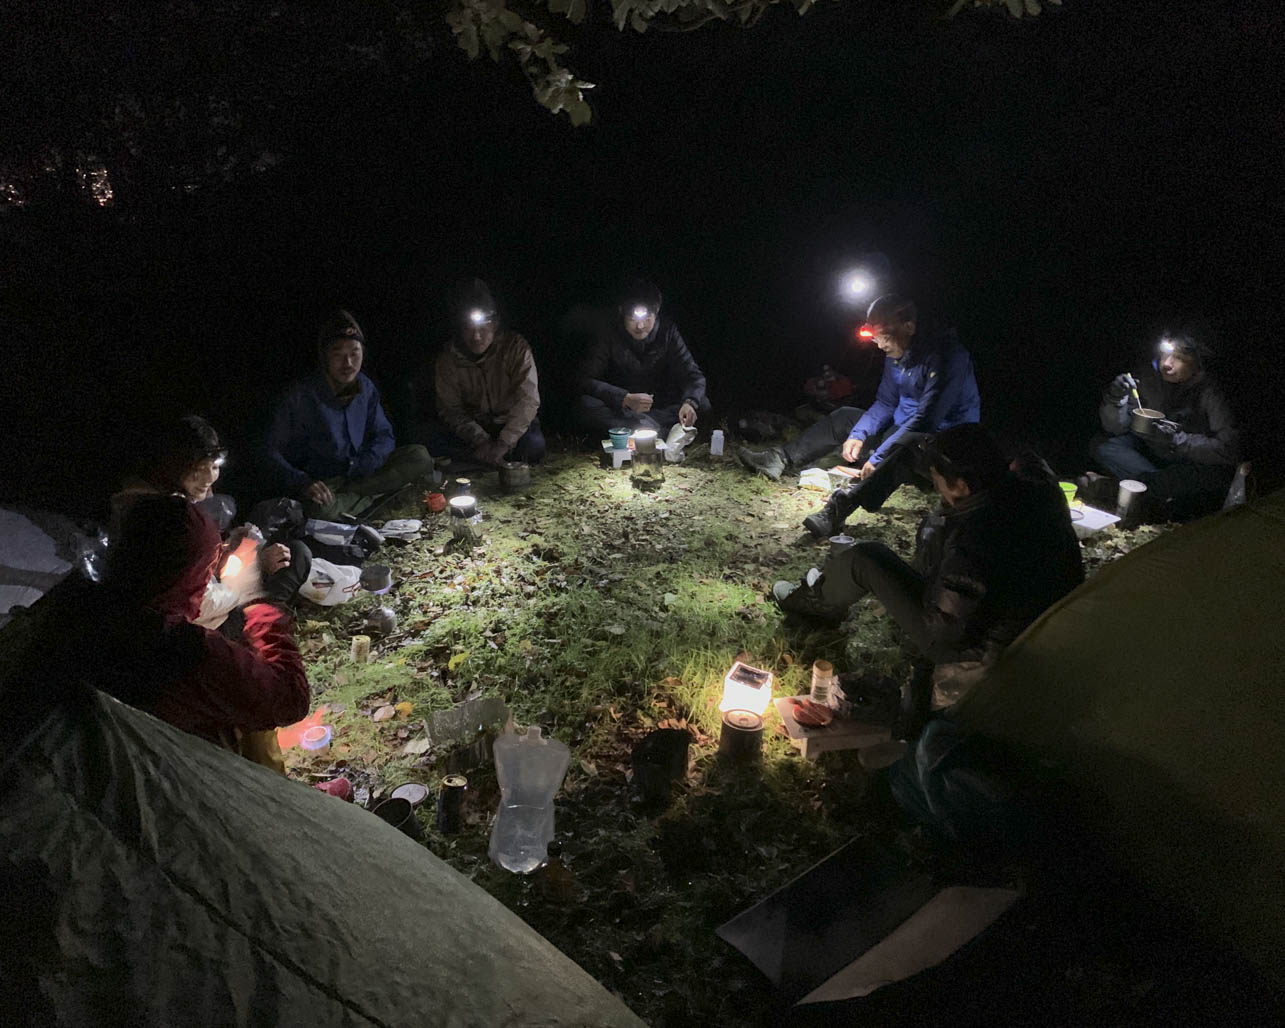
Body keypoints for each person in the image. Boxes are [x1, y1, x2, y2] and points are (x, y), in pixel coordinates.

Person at [772, 424, 1083, 712]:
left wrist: (932, 556)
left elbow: (944, 631)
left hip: (985, 653)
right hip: (1048, 636)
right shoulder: (1037, 490)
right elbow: (1030, 461)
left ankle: (813, 603)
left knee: (865, 558)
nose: (937, 489)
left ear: (960, 485)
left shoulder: (975, 539)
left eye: (938, 482)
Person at [31, 494, 310, 772]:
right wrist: (254, 598)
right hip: (181, 774)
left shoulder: (82, 607)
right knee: (247, 709)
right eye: (206, 567)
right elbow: (290, 698)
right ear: (186, 570)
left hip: (97, 767)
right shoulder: (181, 647)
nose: (208, 578)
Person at [738, 294, 981, 538]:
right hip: (901, 432)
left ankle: (840, 508)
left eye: (883, 335)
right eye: (874, 336)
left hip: (941, 446)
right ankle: (779, 458)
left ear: (909, 327)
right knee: (846, 417)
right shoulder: (897, 355)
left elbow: (927, 420)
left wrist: (878, 456)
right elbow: (886, 402)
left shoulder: (948, 355)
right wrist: (859, 433)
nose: (878, 344)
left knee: (906, 447)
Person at [111, 414, 312, 630]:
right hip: (192, 626)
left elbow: (194, 564)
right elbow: (196, 603)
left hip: (212, 597)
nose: (208, 479)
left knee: (294, 552)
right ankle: (260, 628)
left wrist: (228, 548)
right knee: (291, 561)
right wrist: (253, 569)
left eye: (214, 467)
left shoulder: (176, 497)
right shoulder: (159, 515)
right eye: (198, 470)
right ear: (172, 466)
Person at [267, 309, 433, 518]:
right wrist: (303, 482)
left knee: (419, 456)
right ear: (325, 357)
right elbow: (271, 451)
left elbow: (384, 435)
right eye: (338, 355)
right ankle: (376, 494)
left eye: (354, 353)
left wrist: (368, 462)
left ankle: (358, 498)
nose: (348, 363)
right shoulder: (300, 396)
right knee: (320, 507)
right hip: (328, 482)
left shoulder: (365, 387)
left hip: (363, 472)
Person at [1091, 334, 1238, 520]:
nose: (1167, 364)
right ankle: (1154, 489)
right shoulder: (1147, 377)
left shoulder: (1212, 391)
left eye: (1180, 358)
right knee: (1104, 445)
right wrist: (1116, 400)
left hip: (1190, 463)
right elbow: (1117, 428)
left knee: (1206, 477)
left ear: (1198, 362)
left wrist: (1176, 440)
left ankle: (1140, 491)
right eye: (1165, 354)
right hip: (1153, 455)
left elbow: (1229, 449)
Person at [424, 280, 545, 466]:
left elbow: (528, 400)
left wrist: (504, 442)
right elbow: (450, 408)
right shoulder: (448, 358)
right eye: (469, 328)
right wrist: (481, 440)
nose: (476, 337)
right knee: (430, 440)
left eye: (483, 328)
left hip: (510, 422)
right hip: (475, 425)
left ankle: (488, 457)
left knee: (534, 446)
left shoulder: (515, 348)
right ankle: (487, 456)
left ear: (495, 325)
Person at [575, 278, 710, 438]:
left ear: (656, 312)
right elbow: (584, 380)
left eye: (647, 320)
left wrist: (689, 402)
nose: (640, 326)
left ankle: (638, 427)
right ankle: (655, 431)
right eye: (633, 320)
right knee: (585, 405)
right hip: (622, 408)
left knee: (701, 404)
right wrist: (623, 398)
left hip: (659, 407)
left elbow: (693, 376)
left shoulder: (667, 332)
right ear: (622, 312)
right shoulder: (609, 333)